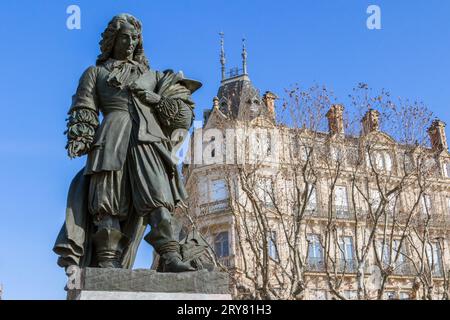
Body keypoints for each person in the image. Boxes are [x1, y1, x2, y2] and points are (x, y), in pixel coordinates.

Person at [54, 13, 201, 272]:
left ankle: (170, 256)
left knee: (158, 197)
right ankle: (107, 260)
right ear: (113, 40)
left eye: (135, 38)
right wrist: (81, 136)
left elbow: (184, 113)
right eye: (125, 37)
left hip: (148, 140)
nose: (131, 43)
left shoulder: (155, 76)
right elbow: (84, 107)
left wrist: (159, 101)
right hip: (111, 137)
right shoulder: (95, 73)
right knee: (108, 201)